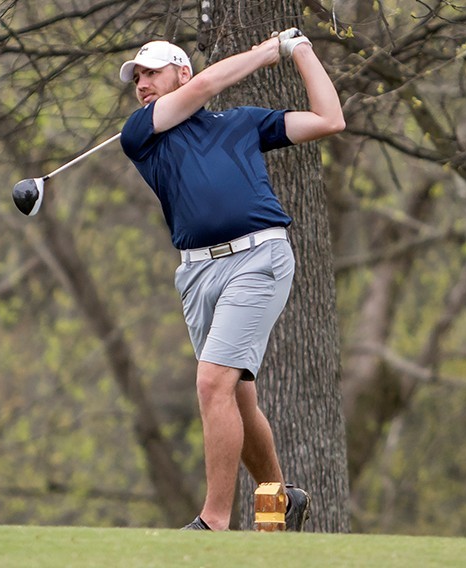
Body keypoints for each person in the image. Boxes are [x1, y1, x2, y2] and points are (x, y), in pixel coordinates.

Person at [118, 29, 345, 531]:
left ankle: (215, 520)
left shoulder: (242, 123)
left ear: (182, 72)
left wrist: (301, 52)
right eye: (137, 77)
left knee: (211, 383)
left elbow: (331, 119)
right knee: (237, 398)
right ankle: (276, 508)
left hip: (259, 257)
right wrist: (265, 53)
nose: (141, 84)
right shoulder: (141, 134)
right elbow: (202, 91)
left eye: (152, 72)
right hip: (197, 273)